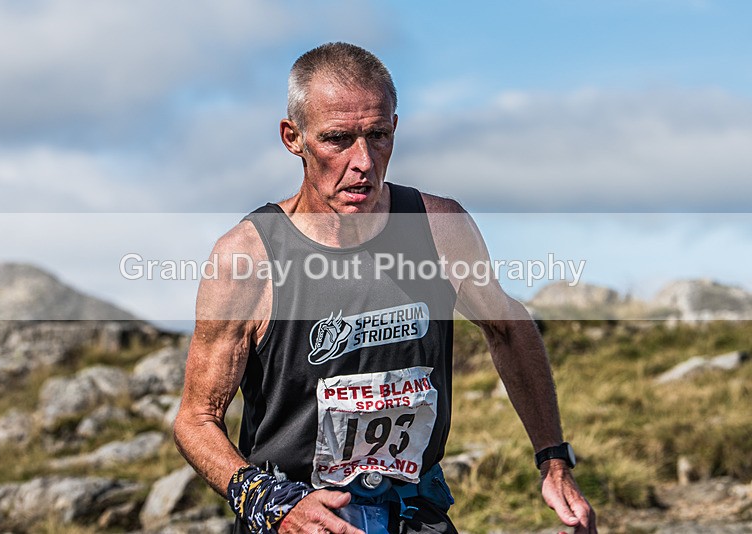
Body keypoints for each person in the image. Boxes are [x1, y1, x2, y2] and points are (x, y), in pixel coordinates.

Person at [173, 42, 597, 534]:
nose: (364, 162)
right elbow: (196, 419)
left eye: (378, 136)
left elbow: (508, 325)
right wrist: (267, 500)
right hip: (302, 517)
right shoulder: (247, 258)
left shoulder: (440, 228)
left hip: (416, 515)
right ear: (294, 138)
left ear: (395, 127)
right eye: (338, 139)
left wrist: (553, 461)